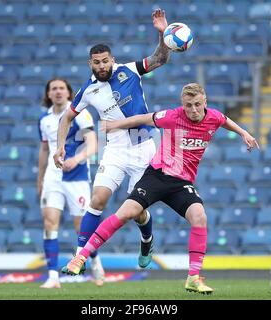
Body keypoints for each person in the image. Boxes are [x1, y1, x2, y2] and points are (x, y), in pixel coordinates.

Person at [63, 83, 260, 294]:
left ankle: (193, 277)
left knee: (199, 217)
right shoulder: (173, 116)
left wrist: (244, 133)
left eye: (197, 105)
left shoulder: (214, 117)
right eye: (188, 105)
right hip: (156, 176)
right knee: (127, 212)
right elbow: (144, 118)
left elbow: (225, 121)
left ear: (205, 103)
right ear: (182, 105)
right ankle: (81, 257)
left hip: (182, 184)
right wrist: (116, 125)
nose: (193, 110)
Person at [53, 8, 171, 272]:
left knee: (137, 211)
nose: (102, 66)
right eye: (96, 62)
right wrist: (60, 146)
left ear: (112, 59)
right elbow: (66, 118)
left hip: (143, 146)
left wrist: (163, 34)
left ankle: (146, 239)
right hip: (115, 148)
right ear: (90, 64)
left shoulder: (130, 70)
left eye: (105, 61)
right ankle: (79, 256)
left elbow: (160, 58)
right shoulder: (88, 90)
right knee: (98, 200)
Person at [37, 78, 104, 288]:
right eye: (53, 88)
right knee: (49, 223)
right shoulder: (44, 120)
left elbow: (93, 144)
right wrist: (40, 179)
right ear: (48, 94)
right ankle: (52, 277)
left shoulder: (80, 114)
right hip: (52, 178)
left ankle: (94, 261)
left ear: (68, 93)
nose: (57, 92)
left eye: (61, 88)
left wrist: (76, 159)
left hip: (77, 177)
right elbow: (45, 150)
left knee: (80, 228)